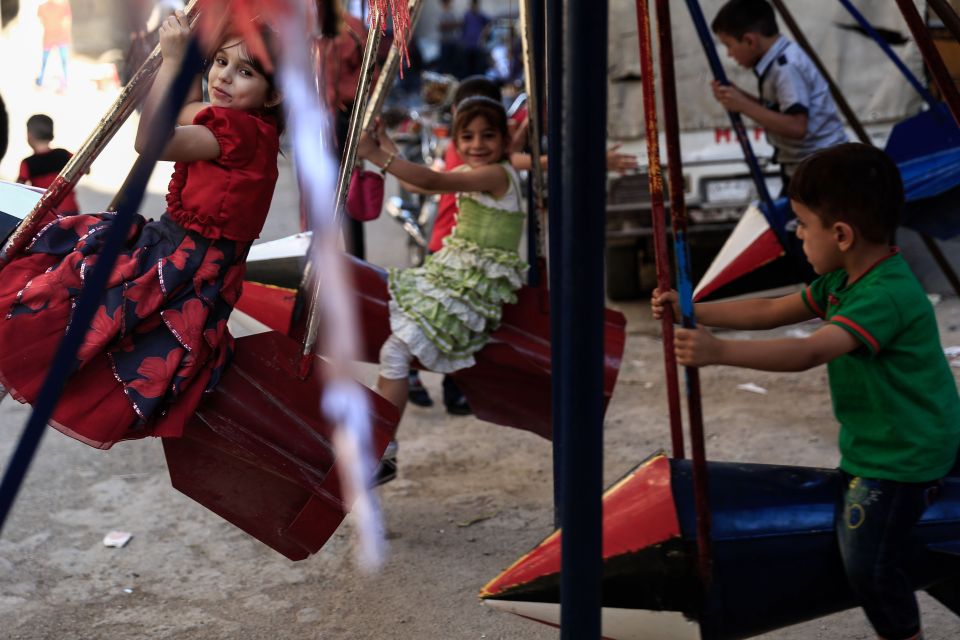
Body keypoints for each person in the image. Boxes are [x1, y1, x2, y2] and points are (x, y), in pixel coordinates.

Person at [652, 143, 960, 640]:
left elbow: (810, 352)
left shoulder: (886, 295)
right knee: (919, 550)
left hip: (906, 456)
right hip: (883, 445)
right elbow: (771, 311)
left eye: (801, 224)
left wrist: (718, 352)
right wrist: (691, 309)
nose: (796, 236)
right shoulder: (844, 280)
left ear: (840, 234)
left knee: (867, 562)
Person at [0, 11, 282, 449]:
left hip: (174, 267)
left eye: (245, 71)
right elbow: (189, 108)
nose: (224, 77)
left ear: (274, 94)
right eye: (220, 62)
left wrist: (171, 62)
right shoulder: (250, 128)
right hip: (185, 264)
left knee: (53, 298)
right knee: (67, 306)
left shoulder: (239, 131)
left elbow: (152, 142)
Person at [357, 96, 527, 484]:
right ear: (455, 141)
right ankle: (378, 444)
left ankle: (382, 450)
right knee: (393, 348)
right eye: (466, 136)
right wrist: (386, 145)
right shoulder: (477, 169)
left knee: (395, 353)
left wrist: (372, 153)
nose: (477, 144)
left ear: (505, 140)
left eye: (488, 135)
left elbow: (433, 180)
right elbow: (416, 182)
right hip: (453, 277)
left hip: (469, 290)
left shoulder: (495, 175)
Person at [710, 0, 846, 188]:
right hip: (807, 166)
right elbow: (779, 111)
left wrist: (743, 105)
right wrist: (739, 96)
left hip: (821, 170)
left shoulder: (786, 67)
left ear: (750, 40)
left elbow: (797, 127)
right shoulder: (778, 61)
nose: (729, 55)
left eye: (729, 45)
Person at [314, 0, 369, 259]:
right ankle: (321, 261)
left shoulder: (355, 28)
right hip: (316, 121)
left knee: (348, 193)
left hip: (347, 118)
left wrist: (366, 116)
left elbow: (371, 76)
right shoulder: (308, 28)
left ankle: (356, 260)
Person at [16, 114, 80, 215]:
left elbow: (18, 188)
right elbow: (85, 168)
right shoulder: (64, 154)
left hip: (47, 213)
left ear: (29, 135)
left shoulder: (27, 163)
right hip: (71, 209)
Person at [36, 0, 72, 89]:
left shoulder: (63, 6)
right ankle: (43, 80)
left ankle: (64, 81)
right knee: (52, 60)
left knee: (59, 61)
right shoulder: (43, 7)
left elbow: (67, 22)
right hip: (53, 37)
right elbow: (67, 22)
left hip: (57, 37)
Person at [461, 0, 490, 78]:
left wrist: (484, 34)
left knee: (478, 67)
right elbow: (463, 28)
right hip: (468, 45)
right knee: (469, 67)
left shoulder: (480, 15)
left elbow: (488, 24)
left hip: (477, 45)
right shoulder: (467, 15)